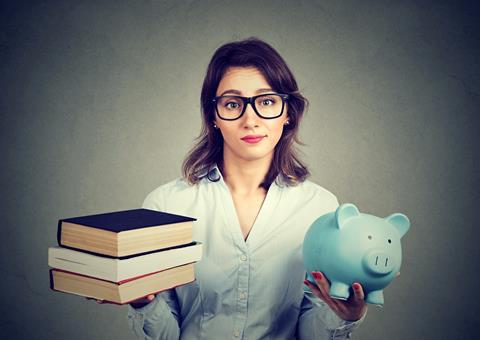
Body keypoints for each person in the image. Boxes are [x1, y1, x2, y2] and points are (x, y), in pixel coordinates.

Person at [126, 38, 367, 339]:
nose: (250, 120)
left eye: (266, 101)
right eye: (232, 104)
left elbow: (312, 331)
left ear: (288, 112)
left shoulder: (321, 209)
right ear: (213, 116)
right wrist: (141, 302)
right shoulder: (166, 205)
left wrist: (344, 315)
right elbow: (165, 334)